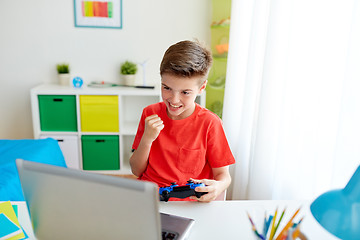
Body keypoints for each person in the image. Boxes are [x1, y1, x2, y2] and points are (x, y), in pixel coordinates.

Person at [129, 40, 235, 202]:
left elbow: (224, 176)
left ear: (201, 88)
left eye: (185, 92)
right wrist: (147, 139)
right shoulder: (150, 113)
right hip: (150, 199)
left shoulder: (210, 123)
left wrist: (218, 187)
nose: (174, 99)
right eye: (167, 88)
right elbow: (136, 170)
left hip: (190, 203)